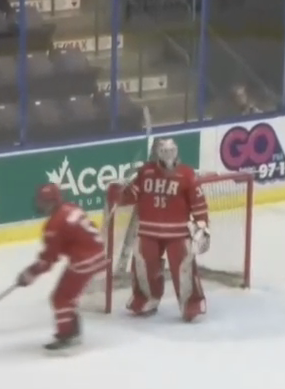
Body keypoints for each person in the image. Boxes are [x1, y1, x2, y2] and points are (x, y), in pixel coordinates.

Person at [117, 138, 211, 322]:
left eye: (171, 151)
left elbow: (198, 203)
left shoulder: (187, 174)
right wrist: (120, 194)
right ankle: (145, 299)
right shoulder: (146, 172)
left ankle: (191, 304)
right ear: (158, 153)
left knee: (184, 268)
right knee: (144, 266)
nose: (168, 155)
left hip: (178, 232)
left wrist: (202, 226)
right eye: (164, 151)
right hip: (148, 231)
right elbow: (132, 195)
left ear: (176, 151)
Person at [16, 183, 108, 353]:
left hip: (84, 261)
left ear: (51, 202)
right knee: (66, 296)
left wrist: (29, 274)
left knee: (61, 298)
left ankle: (68, 335)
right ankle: (73, 330)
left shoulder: (54, 225)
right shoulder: (70, 208)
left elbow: (48, 260)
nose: (40, 204)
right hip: (98, 253)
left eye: (43, 201)